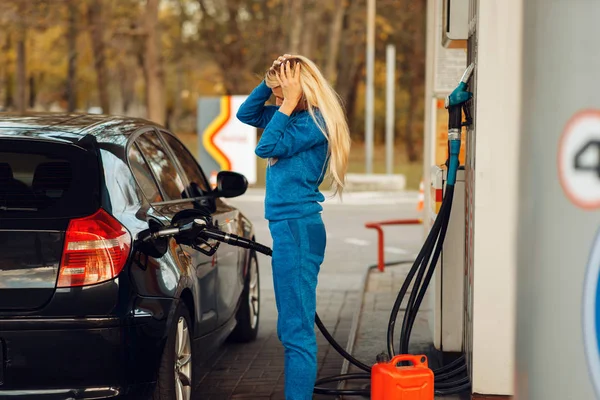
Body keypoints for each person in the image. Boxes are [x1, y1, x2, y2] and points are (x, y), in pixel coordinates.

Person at [236, 54, 351, 399]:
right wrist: (269, 83)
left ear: (302, 89)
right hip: (290, 228)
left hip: (297, 229)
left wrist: (286, 101)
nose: (275, 97)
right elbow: (246, 114)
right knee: (293, 328)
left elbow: (265, 146)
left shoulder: (312, 123)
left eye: (283, 88)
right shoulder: (292, 118)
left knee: (296, 332)